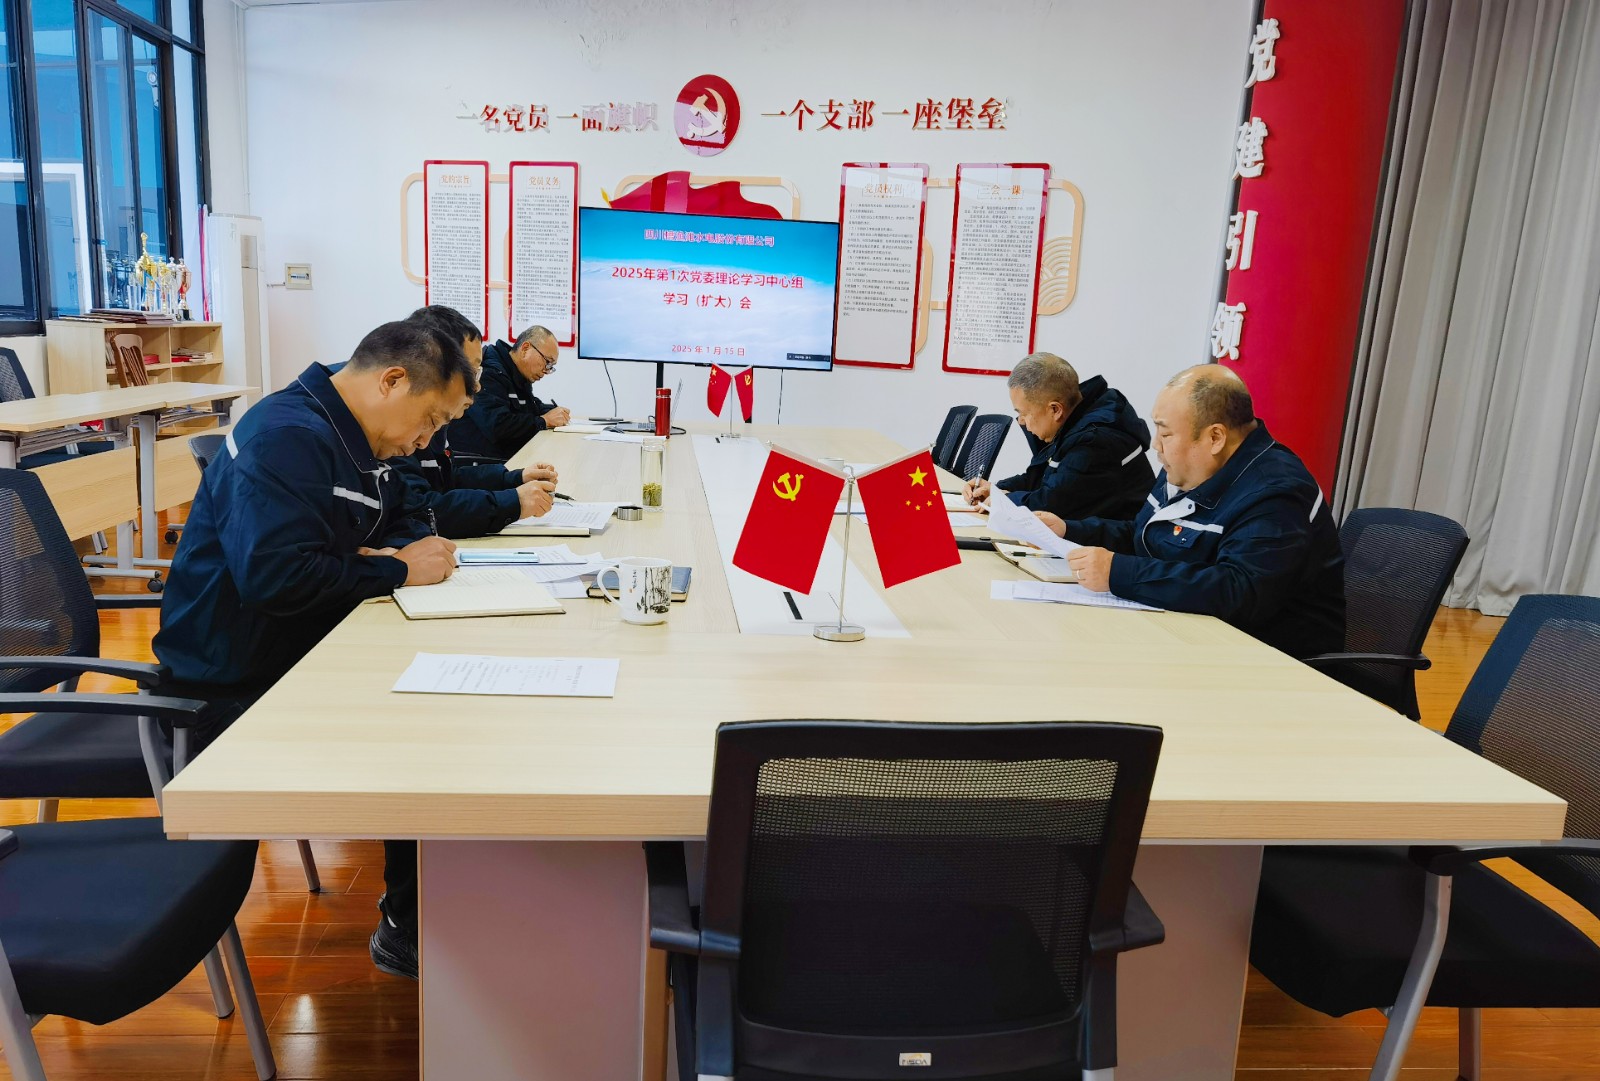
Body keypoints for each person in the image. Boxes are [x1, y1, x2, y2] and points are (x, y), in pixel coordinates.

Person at [153, 320, 472, 982]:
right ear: (392, 381)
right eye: (431, 420)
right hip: (229, 693)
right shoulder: (288, 437)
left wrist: (391, 554)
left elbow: (401, 517)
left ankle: (447, 903)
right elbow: (278, 578)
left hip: (298, 654)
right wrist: (393, 568)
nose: (427, 441)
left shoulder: (356, 436)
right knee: (429, 732)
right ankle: (411, 925)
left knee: (445, 702)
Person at [1037, 364, 1345, 659]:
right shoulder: (1187, 465)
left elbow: (1239, 591)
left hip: (1270, 663)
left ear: (1215, 438)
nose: (1156, 445)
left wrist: (1117, 572)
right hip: (1189, 636)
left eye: (1165, 434)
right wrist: (1068, 530)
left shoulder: (1275, 493)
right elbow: (1143, 534)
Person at [393, 306, 560, 537]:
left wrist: (514, 478)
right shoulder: (396, 425)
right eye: (471, 372)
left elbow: (447, 480)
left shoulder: (430, 420)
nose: (478, 387)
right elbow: (420, 512)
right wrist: (512, 502)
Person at [964, 352, 1154, 519]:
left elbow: (1052, 505)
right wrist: (995, 489)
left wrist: (1005, 500)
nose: (1021, 421)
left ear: (1055, 410)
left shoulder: (1094, 441)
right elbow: (1040, 478)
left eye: (1024, 413)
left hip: (1113, 543)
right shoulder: (1076, 419)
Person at [448, 324, 571, 461]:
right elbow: (497, 426)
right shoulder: (490, 372)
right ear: (525, 348)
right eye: (547, 362)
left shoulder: (516, 372)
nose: (546, 371)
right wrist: (544, 421)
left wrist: (552, 411)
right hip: (482, 461)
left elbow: (529, 406)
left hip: (506, 456)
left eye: (551, 367)